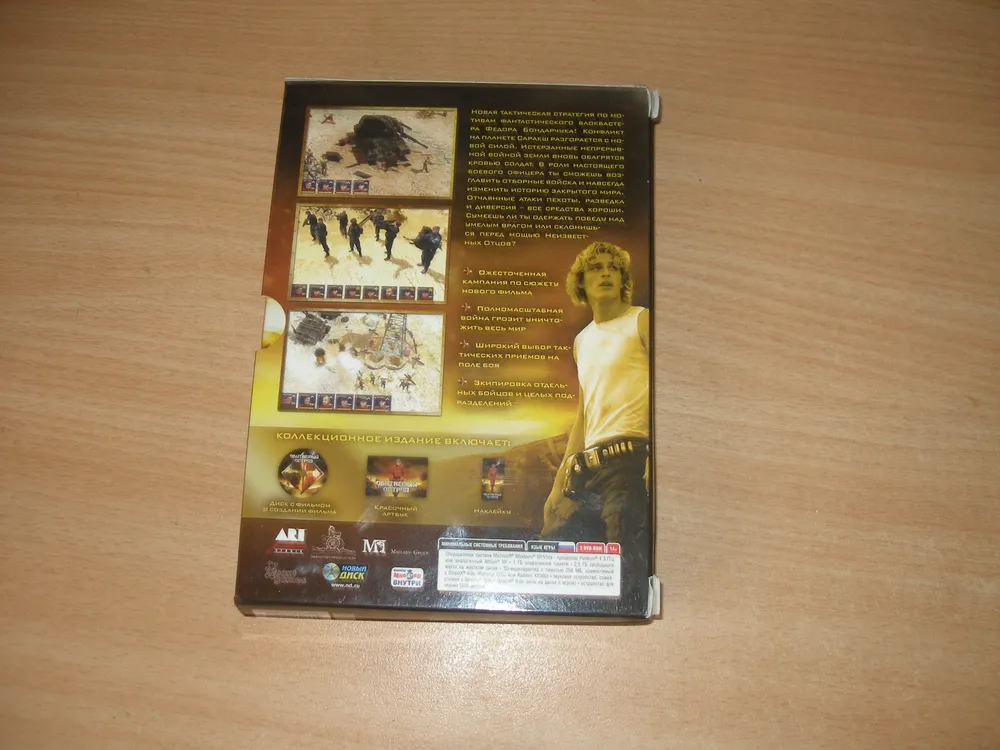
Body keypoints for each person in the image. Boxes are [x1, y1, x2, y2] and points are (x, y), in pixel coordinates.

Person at [541, 241, 650, 580]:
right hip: (587, 471)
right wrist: (558, 485)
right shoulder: (582, 340)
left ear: (623, 280)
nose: (606, 273)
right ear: (581, 282)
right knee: (556, 550)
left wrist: (659, 460)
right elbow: (584, 415)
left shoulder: (641, 320)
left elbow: (668, 388)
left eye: (613, 268)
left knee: (622, 565)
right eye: (596, 268)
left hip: (631, 463)